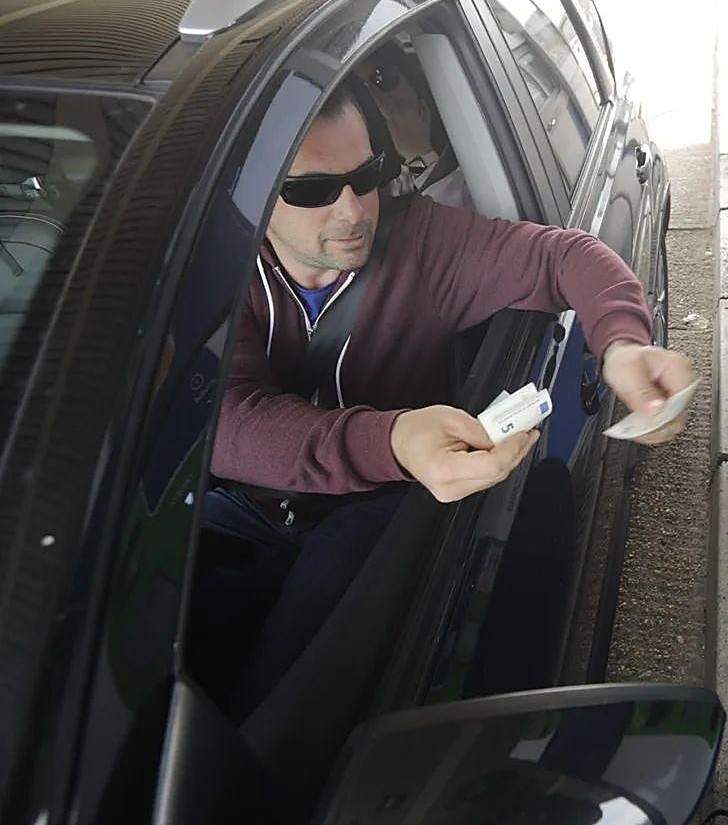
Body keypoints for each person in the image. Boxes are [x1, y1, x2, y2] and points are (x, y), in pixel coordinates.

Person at [192, 83, 692, 715]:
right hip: (241, 507)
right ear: (254, 194)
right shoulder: (215, 271)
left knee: (286, 708)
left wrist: (621, 345)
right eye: (312, 190)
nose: (351, 210)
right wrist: (392, 437)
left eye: (366, 174)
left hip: (373, 510)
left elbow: (564, 256)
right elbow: (227, 417)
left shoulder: (421, 246)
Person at [355, 44, 473, 209]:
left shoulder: (473, 141)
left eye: (382, 78)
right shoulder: (359, 187)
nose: (381, 102)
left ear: (412, 81)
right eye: (363, 94)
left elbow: (467, 224)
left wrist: (420, 155)